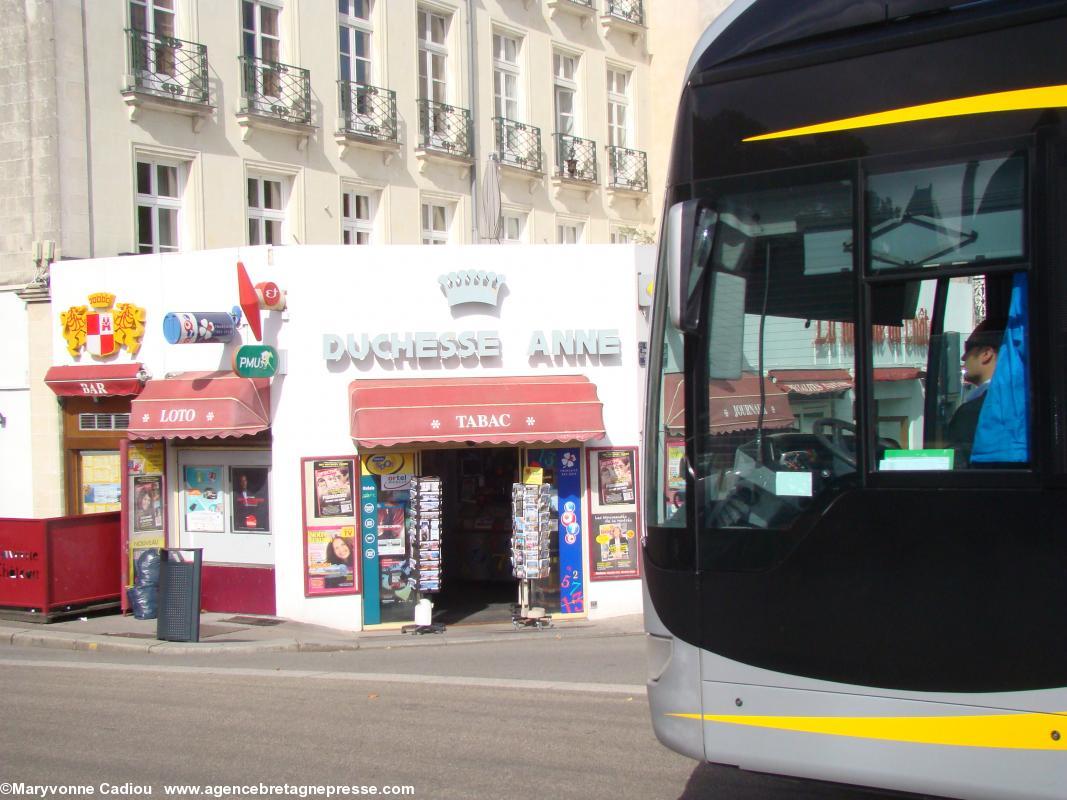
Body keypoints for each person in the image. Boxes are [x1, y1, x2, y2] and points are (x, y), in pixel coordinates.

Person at [946, 318, 1004, 467]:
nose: (963, 357)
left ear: (986, 354)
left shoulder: (973, 411)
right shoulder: (1021, 400)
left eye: (968, 349)